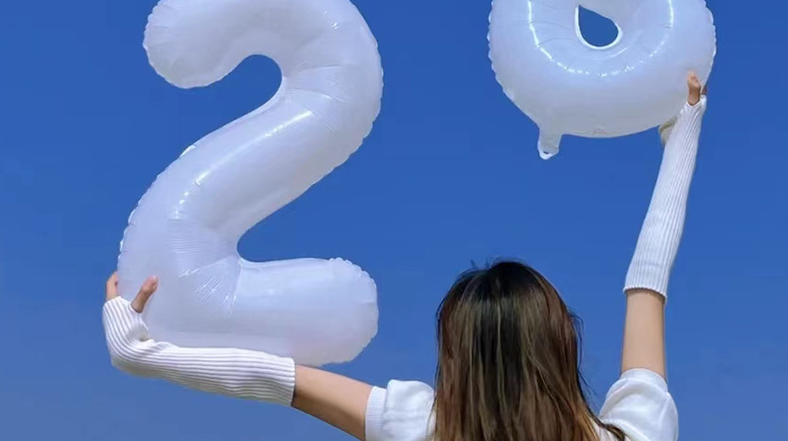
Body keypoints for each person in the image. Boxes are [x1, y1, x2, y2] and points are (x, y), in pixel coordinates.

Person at [103, 74, 707, 441]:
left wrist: (145, 354)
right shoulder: (637, 431)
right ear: (562, 341)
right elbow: (647, 285)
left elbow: (279, 380)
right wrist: (684, 135)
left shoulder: (422, 426)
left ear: (454, 358)